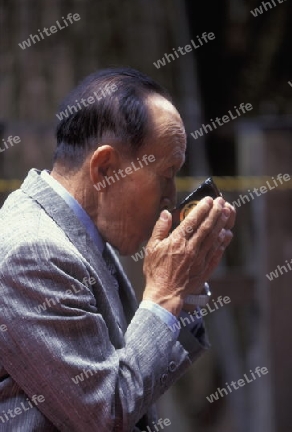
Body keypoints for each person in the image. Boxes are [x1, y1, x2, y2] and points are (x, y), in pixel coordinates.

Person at [0, 67, 235, 431]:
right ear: (105, 168)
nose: (171, 197)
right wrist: (164, 295)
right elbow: (106, 414)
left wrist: (183, 291)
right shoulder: (33, 252)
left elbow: (130, 377)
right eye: (166, 174)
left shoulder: (76, 230)